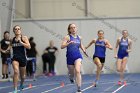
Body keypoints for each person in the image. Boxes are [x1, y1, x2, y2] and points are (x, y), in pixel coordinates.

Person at [61, 23, 88, 93]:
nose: (73, 29)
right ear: (69, 29)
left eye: (74, 27)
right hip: (70, 57)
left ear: (76, 29)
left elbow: (81, 45)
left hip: (78, 56)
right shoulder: (67, 37)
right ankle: (71, 77)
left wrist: (84, 51)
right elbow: (62, 46)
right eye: (72, 28)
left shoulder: (80, 37)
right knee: (72, 73)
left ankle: (79, 89)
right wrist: (68, 43)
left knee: (78, 71)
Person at [6, 25, 31, 93]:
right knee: (16, 72)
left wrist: (21, 42)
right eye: (16, 29)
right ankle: (15, 89)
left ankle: (21, 84)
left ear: (20, 30)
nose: (17, 30)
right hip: (15, 58)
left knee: (22, 76)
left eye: (18, 29)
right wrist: (7, 50)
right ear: (14, 31)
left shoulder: (24, 38)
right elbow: (10, 46)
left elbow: (29, 47)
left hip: (23, 58)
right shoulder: (12, 39)